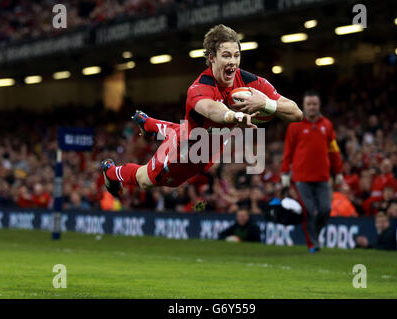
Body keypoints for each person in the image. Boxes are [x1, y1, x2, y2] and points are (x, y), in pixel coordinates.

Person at [100, 24, 302, 196]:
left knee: (198, 139)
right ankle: (111, 172)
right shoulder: (199, 88)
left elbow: (296, 113)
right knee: (146, 180)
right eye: (226, 55)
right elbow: (212, 109)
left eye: (236, 55)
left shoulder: (250, 83)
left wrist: (267, 104)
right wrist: (235, 115)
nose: (233, 61)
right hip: (184, 153)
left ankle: (150, 124)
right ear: (212, 58)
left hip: (210, 145)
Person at [281, 90, 343, 252]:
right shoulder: (295, 126)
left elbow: (334, 151)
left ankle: (315, 234)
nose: (312, 107)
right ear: (304, 106)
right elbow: (288, 151)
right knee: (308, 211)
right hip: (302, 177)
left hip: (323, 176)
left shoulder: (327, 125)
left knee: (325, 210)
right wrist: (285, 173)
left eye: (314, 104)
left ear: (319, 105)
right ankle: (313, 243)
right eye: (309, 104)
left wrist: (339, 172)